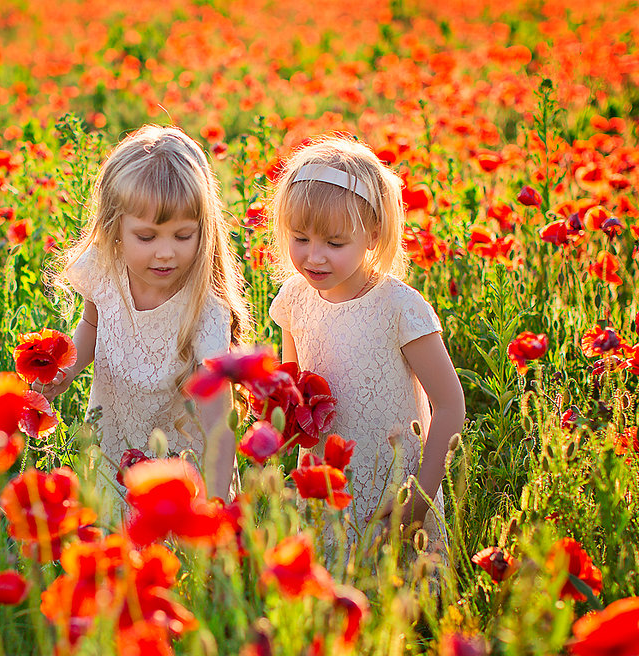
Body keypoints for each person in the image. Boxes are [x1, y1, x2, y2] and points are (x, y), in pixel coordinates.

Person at [267, 135, 465, 564]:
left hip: (394, 489)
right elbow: (293, 395)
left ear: (373, 235)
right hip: (324, 481)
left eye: (334, 244)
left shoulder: (399, 307)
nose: (313, 257)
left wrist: (420, 499)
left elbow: (450, 404)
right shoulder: (295, 299)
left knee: (398, 609)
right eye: (300, 238)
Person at [39, 125, 252, 511]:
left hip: (179, 470)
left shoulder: (204, 309)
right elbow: (92, 326)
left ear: (203, 231)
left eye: (183, 236)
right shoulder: (105, 270)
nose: (166, 253)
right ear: (114, 228)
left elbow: (218, 424)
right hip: (113, 446)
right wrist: (63, 374)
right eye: (148, 237)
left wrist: (216, 507)